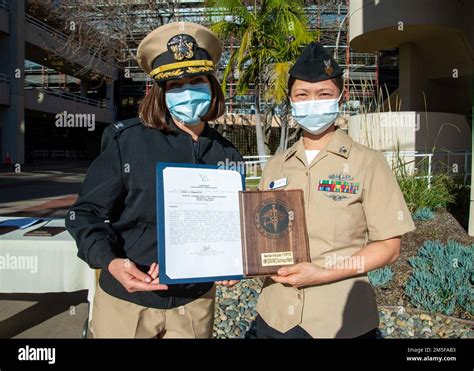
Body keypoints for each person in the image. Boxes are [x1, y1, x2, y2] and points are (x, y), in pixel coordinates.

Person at [66, 22, 241, 338]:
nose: (186, 91)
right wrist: (112, 262)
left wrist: (233, 263)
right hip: (128, 302)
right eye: (175, 85)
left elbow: (231, 228)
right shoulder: (127, 142)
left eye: (196, 81)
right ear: (161, 91)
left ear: (212, 85)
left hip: (195, 305)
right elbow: (84, 215)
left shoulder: (227, 154)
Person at [255, 42, 416, 338]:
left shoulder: (368, 163)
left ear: (340, 99)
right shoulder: (276, 165)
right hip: (274, 316)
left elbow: (389, 248)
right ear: (291, 101)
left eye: (324, 94)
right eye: (302, 95)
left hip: (339, 322)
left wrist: (323, 273)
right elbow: (260, 236)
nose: (312, 102)